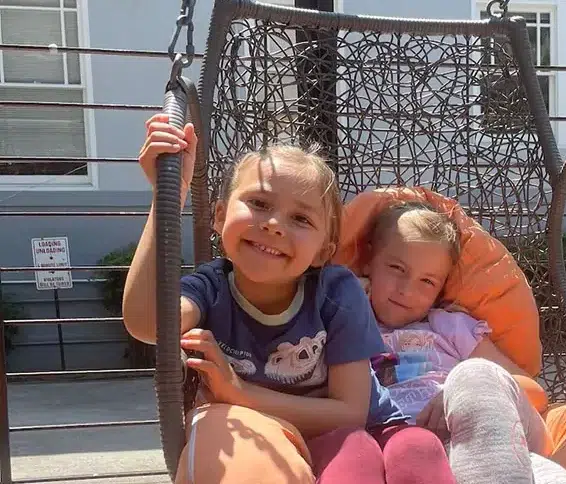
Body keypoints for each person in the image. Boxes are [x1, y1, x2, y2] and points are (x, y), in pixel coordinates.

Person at [123, 114, 456, 484]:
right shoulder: (211, 288)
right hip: (271, 435)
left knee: (384, 453)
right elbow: (147, 324)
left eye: (300, 219)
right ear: (219, 216)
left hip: (361, 428)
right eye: (259, 203)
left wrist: (239, 392)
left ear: (322, 251)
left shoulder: (335, 292)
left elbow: (350, 413)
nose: (275, 224)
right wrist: (166, 196)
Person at [362, 202, 566, 484]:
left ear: (441, 288)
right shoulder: (349, 326)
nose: (407, 289)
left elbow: (531, 391)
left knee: (474, 374)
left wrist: (459, 394)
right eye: (396, 268)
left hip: (482, 435)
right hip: (412, 456)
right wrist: (348, 296)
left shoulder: (450, 327)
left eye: (427, 281)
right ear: (368, 261)